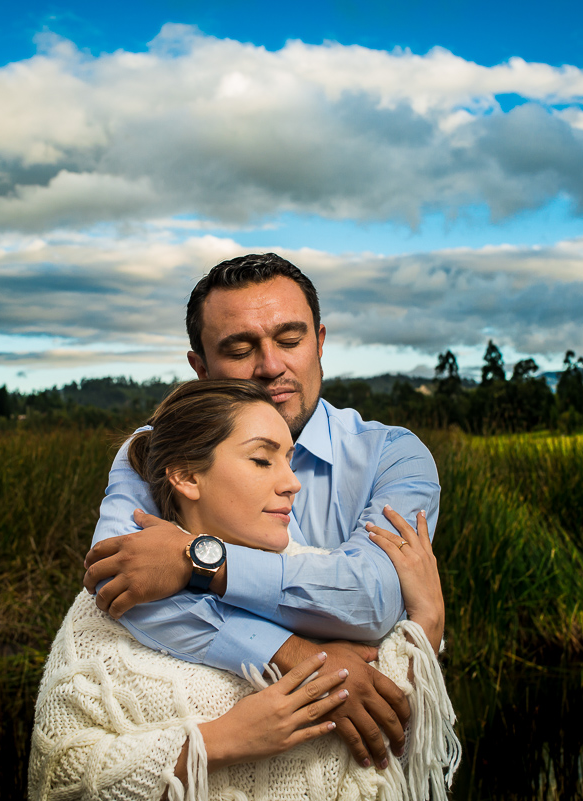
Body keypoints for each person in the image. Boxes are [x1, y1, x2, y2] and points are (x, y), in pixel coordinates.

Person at [82, 254, 442, 771]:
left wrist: (196, 562)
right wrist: (293, 653)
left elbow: (373, 600)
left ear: (319, 342)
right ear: (200, 367)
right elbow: (121, 584)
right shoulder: (155, 452)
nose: (271, 365)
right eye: (240, 348)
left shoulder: (393, 457)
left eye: (290, 340)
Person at [29, 380, 458, 800]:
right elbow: (62, 773)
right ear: (185, 475)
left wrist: (427, 624)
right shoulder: (112, 604)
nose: (292, 482)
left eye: (289, 460)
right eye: (261, 460)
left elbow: (388, 731)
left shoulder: (321, 573)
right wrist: (222, 741)